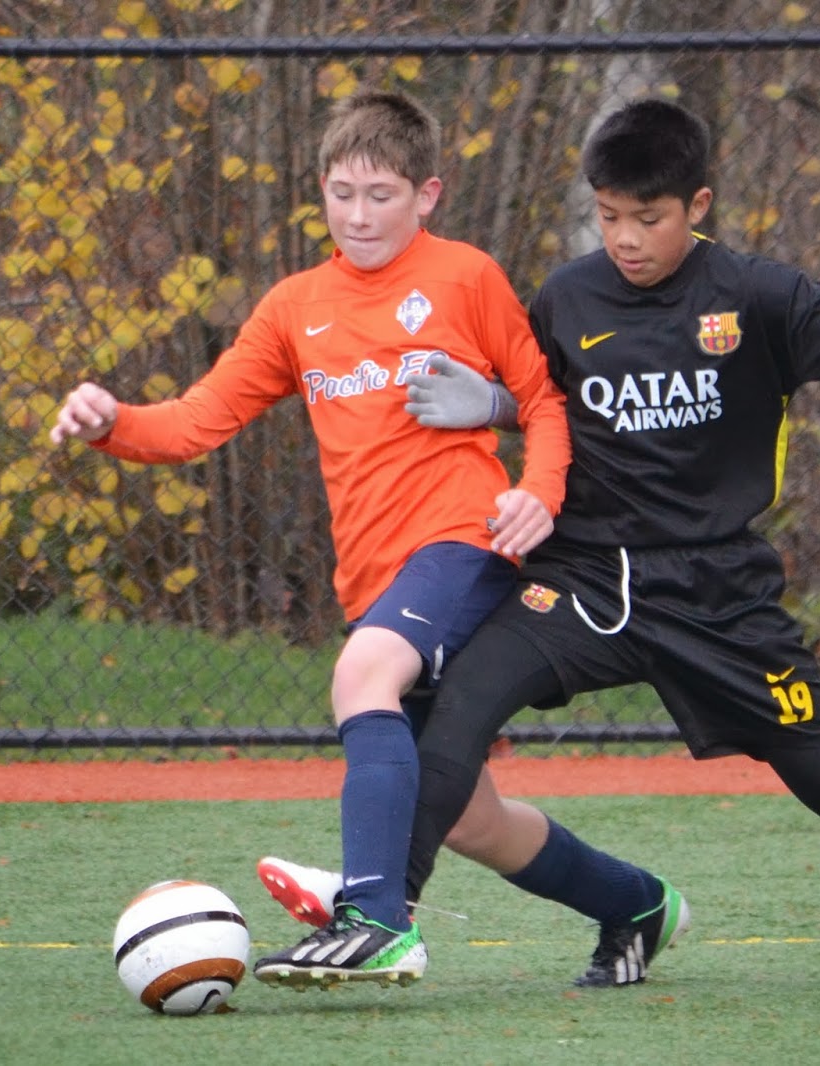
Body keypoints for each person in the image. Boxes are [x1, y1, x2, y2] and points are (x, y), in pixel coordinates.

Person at [261, 98, 820, 986]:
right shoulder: (569, 297)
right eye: (608, 215)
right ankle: (379, 914)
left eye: (648, 218)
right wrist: (490, 405)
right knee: (457, 712)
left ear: (698, 205)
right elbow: (546, 403)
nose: (625, 238)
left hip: (718, 595)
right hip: (583, 580)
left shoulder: (756, 295)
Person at [50, 89, 661, 991]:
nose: (360, 215)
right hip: (374, 577)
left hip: (465, 543)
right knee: (472, 820)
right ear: (322, 192)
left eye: (381, 195)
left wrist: (537, 492)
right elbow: (195, 422)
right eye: (342, 194)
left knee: (360, 675)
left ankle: (376, 919)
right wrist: (113, 423)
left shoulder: (465, 277)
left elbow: (543, 401)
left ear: (427, 195)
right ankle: (637, 905)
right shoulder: (295, 306)